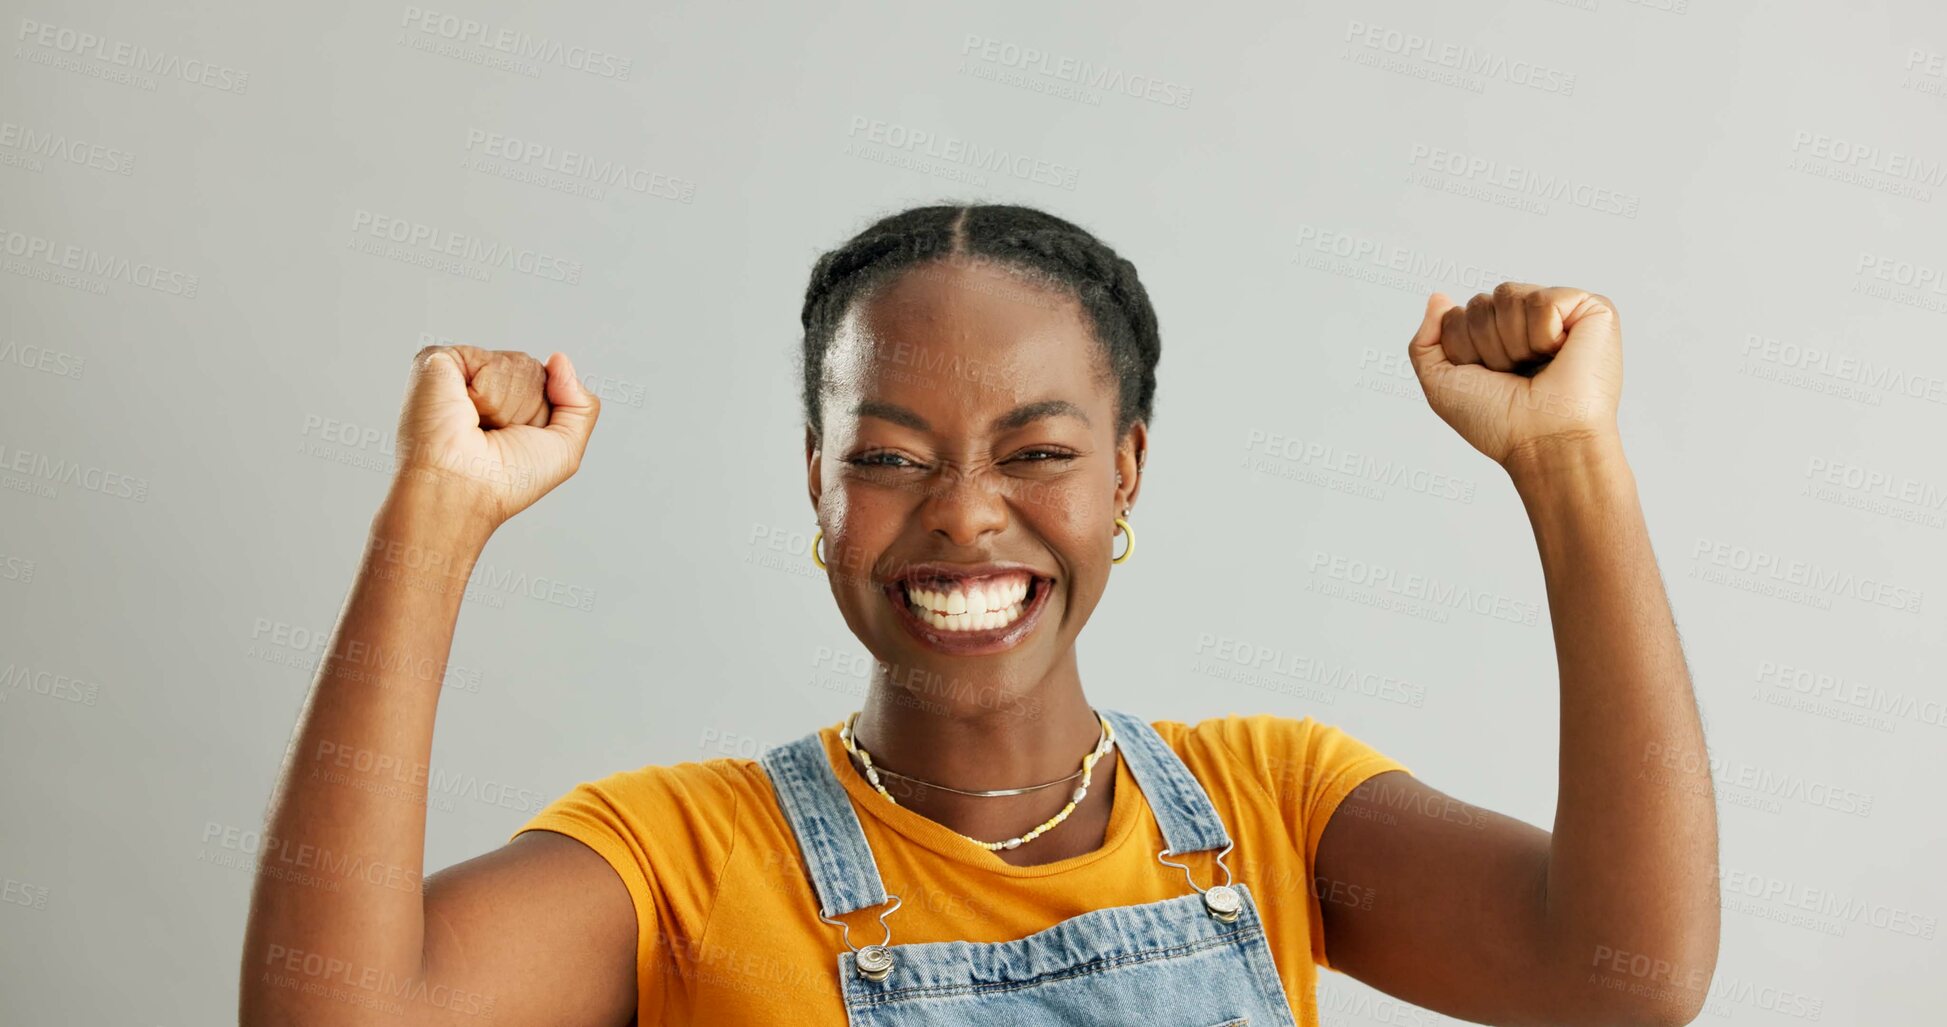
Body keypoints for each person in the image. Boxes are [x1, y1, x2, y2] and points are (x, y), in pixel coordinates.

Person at [239, 203, 1720, 1026]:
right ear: (817, 485)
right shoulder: (680, 860)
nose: (961, 512)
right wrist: (434, 517)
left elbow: (1622, 976)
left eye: (1038, 453)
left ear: (1127, 469)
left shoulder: (1272, 808)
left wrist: (1567, 462)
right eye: (888, 459)